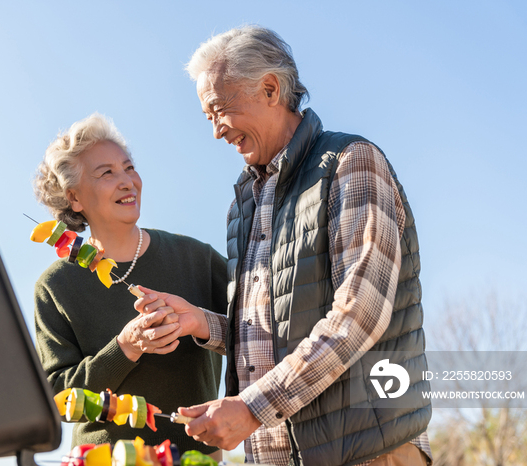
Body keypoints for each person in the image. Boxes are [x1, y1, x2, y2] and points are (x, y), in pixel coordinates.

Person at [135, 26, 432, 466]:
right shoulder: (244, 204)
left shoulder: (351, 164)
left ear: (271, 89)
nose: (216, 131)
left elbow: (361, 313)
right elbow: (277, 328)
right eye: (206, 116)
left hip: (367, 453)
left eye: (219, 109)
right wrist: (203, 323)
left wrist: (253, 407)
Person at [32, 113, 226, 459]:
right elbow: (57, 398)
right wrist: (125, 348)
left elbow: (259, 337)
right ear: (74, 198)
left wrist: (197, 321)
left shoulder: (198, 259)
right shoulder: (55, 286)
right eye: (106, 173)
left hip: (198, 457)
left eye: (129, 167)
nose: (127, 182)